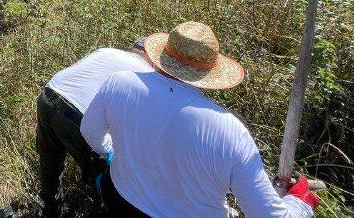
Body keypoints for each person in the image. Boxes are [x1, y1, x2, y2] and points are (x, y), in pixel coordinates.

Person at [80, 21, 320, 218]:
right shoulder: (230, 131)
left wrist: (114, 155)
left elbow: (90, 131)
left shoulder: (120, 82)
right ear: (210, 72)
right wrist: (300, 203)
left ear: (162, 55)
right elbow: (269, 216)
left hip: (119, 203)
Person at [38, 39, 154, 217]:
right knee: (105, 176)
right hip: (77, 114)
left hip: (49, 94)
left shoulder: (108, 51)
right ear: (150, 56)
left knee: (50, 163)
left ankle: (51, 211)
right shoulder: (147, 75)